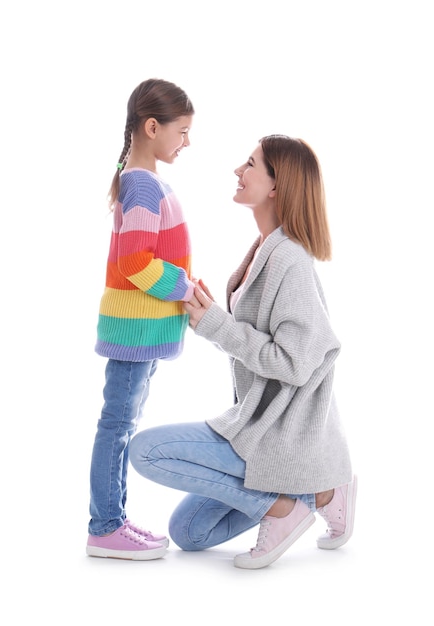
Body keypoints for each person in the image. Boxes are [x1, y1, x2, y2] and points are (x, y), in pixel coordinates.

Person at [130, 134, 357, 569]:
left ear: (276, 186)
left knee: (145, 450)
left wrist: (218, 324)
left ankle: (284, 507)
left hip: (274, 432)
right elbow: (252, 341)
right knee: (190, 533)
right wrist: (215, 321)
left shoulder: (290, 259)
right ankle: (317, 491)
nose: (238, 170)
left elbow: (294, 362)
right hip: (255, 421)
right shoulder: (263, 251)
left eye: (250, 164)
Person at [86, 78, 197, 561]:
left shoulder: (142, 183)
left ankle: (112, 522)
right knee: (118, 426)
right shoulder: (142, 186)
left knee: (121, 424)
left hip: (141, 330)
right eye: (183, 131)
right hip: (134, 330)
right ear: (152, 127)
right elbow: (136, 263)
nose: (187, 142)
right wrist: (186, 289)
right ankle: (106, 525)